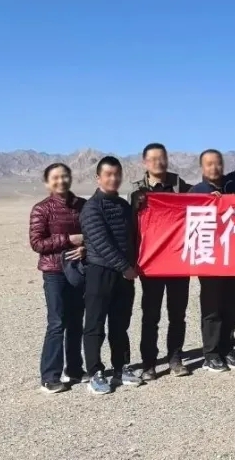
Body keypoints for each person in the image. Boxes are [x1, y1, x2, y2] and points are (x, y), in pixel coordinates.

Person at [129, 142, 193, 380]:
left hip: (178, 262)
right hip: (152, 263)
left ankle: (175, 358)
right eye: (153, 159)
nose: (158, 162)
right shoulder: (137, 193)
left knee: (177, 314)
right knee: (150, 315)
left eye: (162, 158)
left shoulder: (182, 188)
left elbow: (201, 210)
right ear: (145, 162)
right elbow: (132, 228)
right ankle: (149, 363)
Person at [80, 156, 142, 394]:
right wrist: (125, 267)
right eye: (108, 174)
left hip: (124, 276)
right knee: (95, 325)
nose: (113, 178)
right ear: (98, 178)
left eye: (117, 174)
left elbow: (132, 238)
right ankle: (95, 372)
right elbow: (101, 243)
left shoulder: (124, 207)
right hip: (100, 273)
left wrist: (133, 264)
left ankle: (121, 367)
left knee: (120, 324)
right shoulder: (92, 208)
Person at [190, 148, 235, 373]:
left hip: (232, 258)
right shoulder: (196, 192)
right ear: (202, 167)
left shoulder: (231, 185)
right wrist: (208, 201)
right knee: (212, 308)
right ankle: (211, 354)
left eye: (218, 163)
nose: (214, 167)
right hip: (210, 260)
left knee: (232, 307)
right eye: (209, 164)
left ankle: (227, 349)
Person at [29, 163, 86, 393]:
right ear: (47, 182)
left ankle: (74, 369)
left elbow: (93, 234)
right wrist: (68, 240)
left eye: (64, 176)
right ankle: (50, 376)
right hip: (54, 272)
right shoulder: (41, 209)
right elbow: (37, 243)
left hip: (79, 269)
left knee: (76, 321)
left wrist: (85, 248)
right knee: (57, 322)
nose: (61, 181)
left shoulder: (83, 206)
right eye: (55, 177)